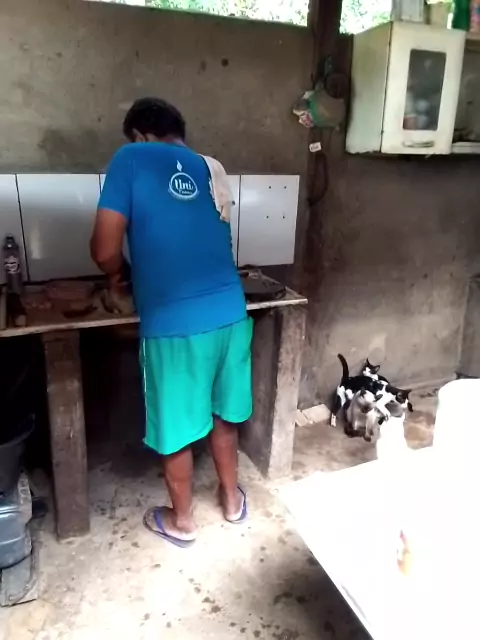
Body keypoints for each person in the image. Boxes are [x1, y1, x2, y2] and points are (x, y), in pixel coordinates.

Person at [90, 97, 253, 547]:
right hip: (231, 314)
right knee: (223, 414)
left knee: (176, 425)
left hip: (174, 324)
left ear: (140, 134)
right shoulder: (210, 167)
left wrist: (117, 277)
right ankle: (233, 502)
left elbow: (104, 250)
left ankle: (182, 522)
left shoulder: (130, 157)